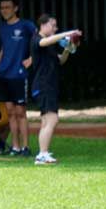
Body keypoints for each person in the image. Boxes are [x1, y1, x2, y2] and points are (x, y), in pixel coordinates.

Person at [30, 14, 81, 165]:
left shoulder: (50, 45)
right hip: (43, 85)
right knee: (52, 119)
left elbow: (61, 61)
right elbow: (44, 42)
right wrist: (67, 33)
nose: (55, 28)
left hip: (48, 85)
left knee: (46, 121)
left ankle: (43, 153)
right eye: (53, 25)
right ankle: (42, 154)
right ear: (43, 25)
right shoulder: (36, 40)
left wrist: (67, 48)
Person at [0, 0, 36, 157]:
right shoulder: (3, 27)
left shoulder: (26, 25)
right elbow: (5, 46)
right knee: (10, 112)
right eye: (2, 8)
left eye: (7, 7)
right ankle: (15, 147)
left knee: (21, 112)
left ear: (15, 8)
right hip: (4, 73)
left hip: (19, 74)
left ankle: (26, 147)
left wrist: (32, 58)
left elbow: (39, 40)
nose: (4, 10)